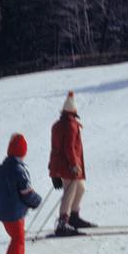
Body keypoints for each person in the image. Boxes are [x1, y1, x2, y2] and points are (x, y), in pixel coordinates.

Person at [0, 133, 43, 254]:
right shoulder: (19, 170)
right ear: (23, 152)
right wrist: (36, 201)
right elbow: (26, 193)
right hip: (13, 211)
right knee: (18, 237)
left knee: (19, 236)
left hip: (4, 210)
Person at [49, 91, 96, 236]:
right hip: (68, 165)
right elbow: (69, 147)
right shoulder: (71, 125)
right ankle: (63, 224)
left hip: (61, 164)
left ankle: (73, 217)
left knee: (80, 187)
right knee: (69, 192)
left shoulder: (58, 124)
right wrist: (75, 165)